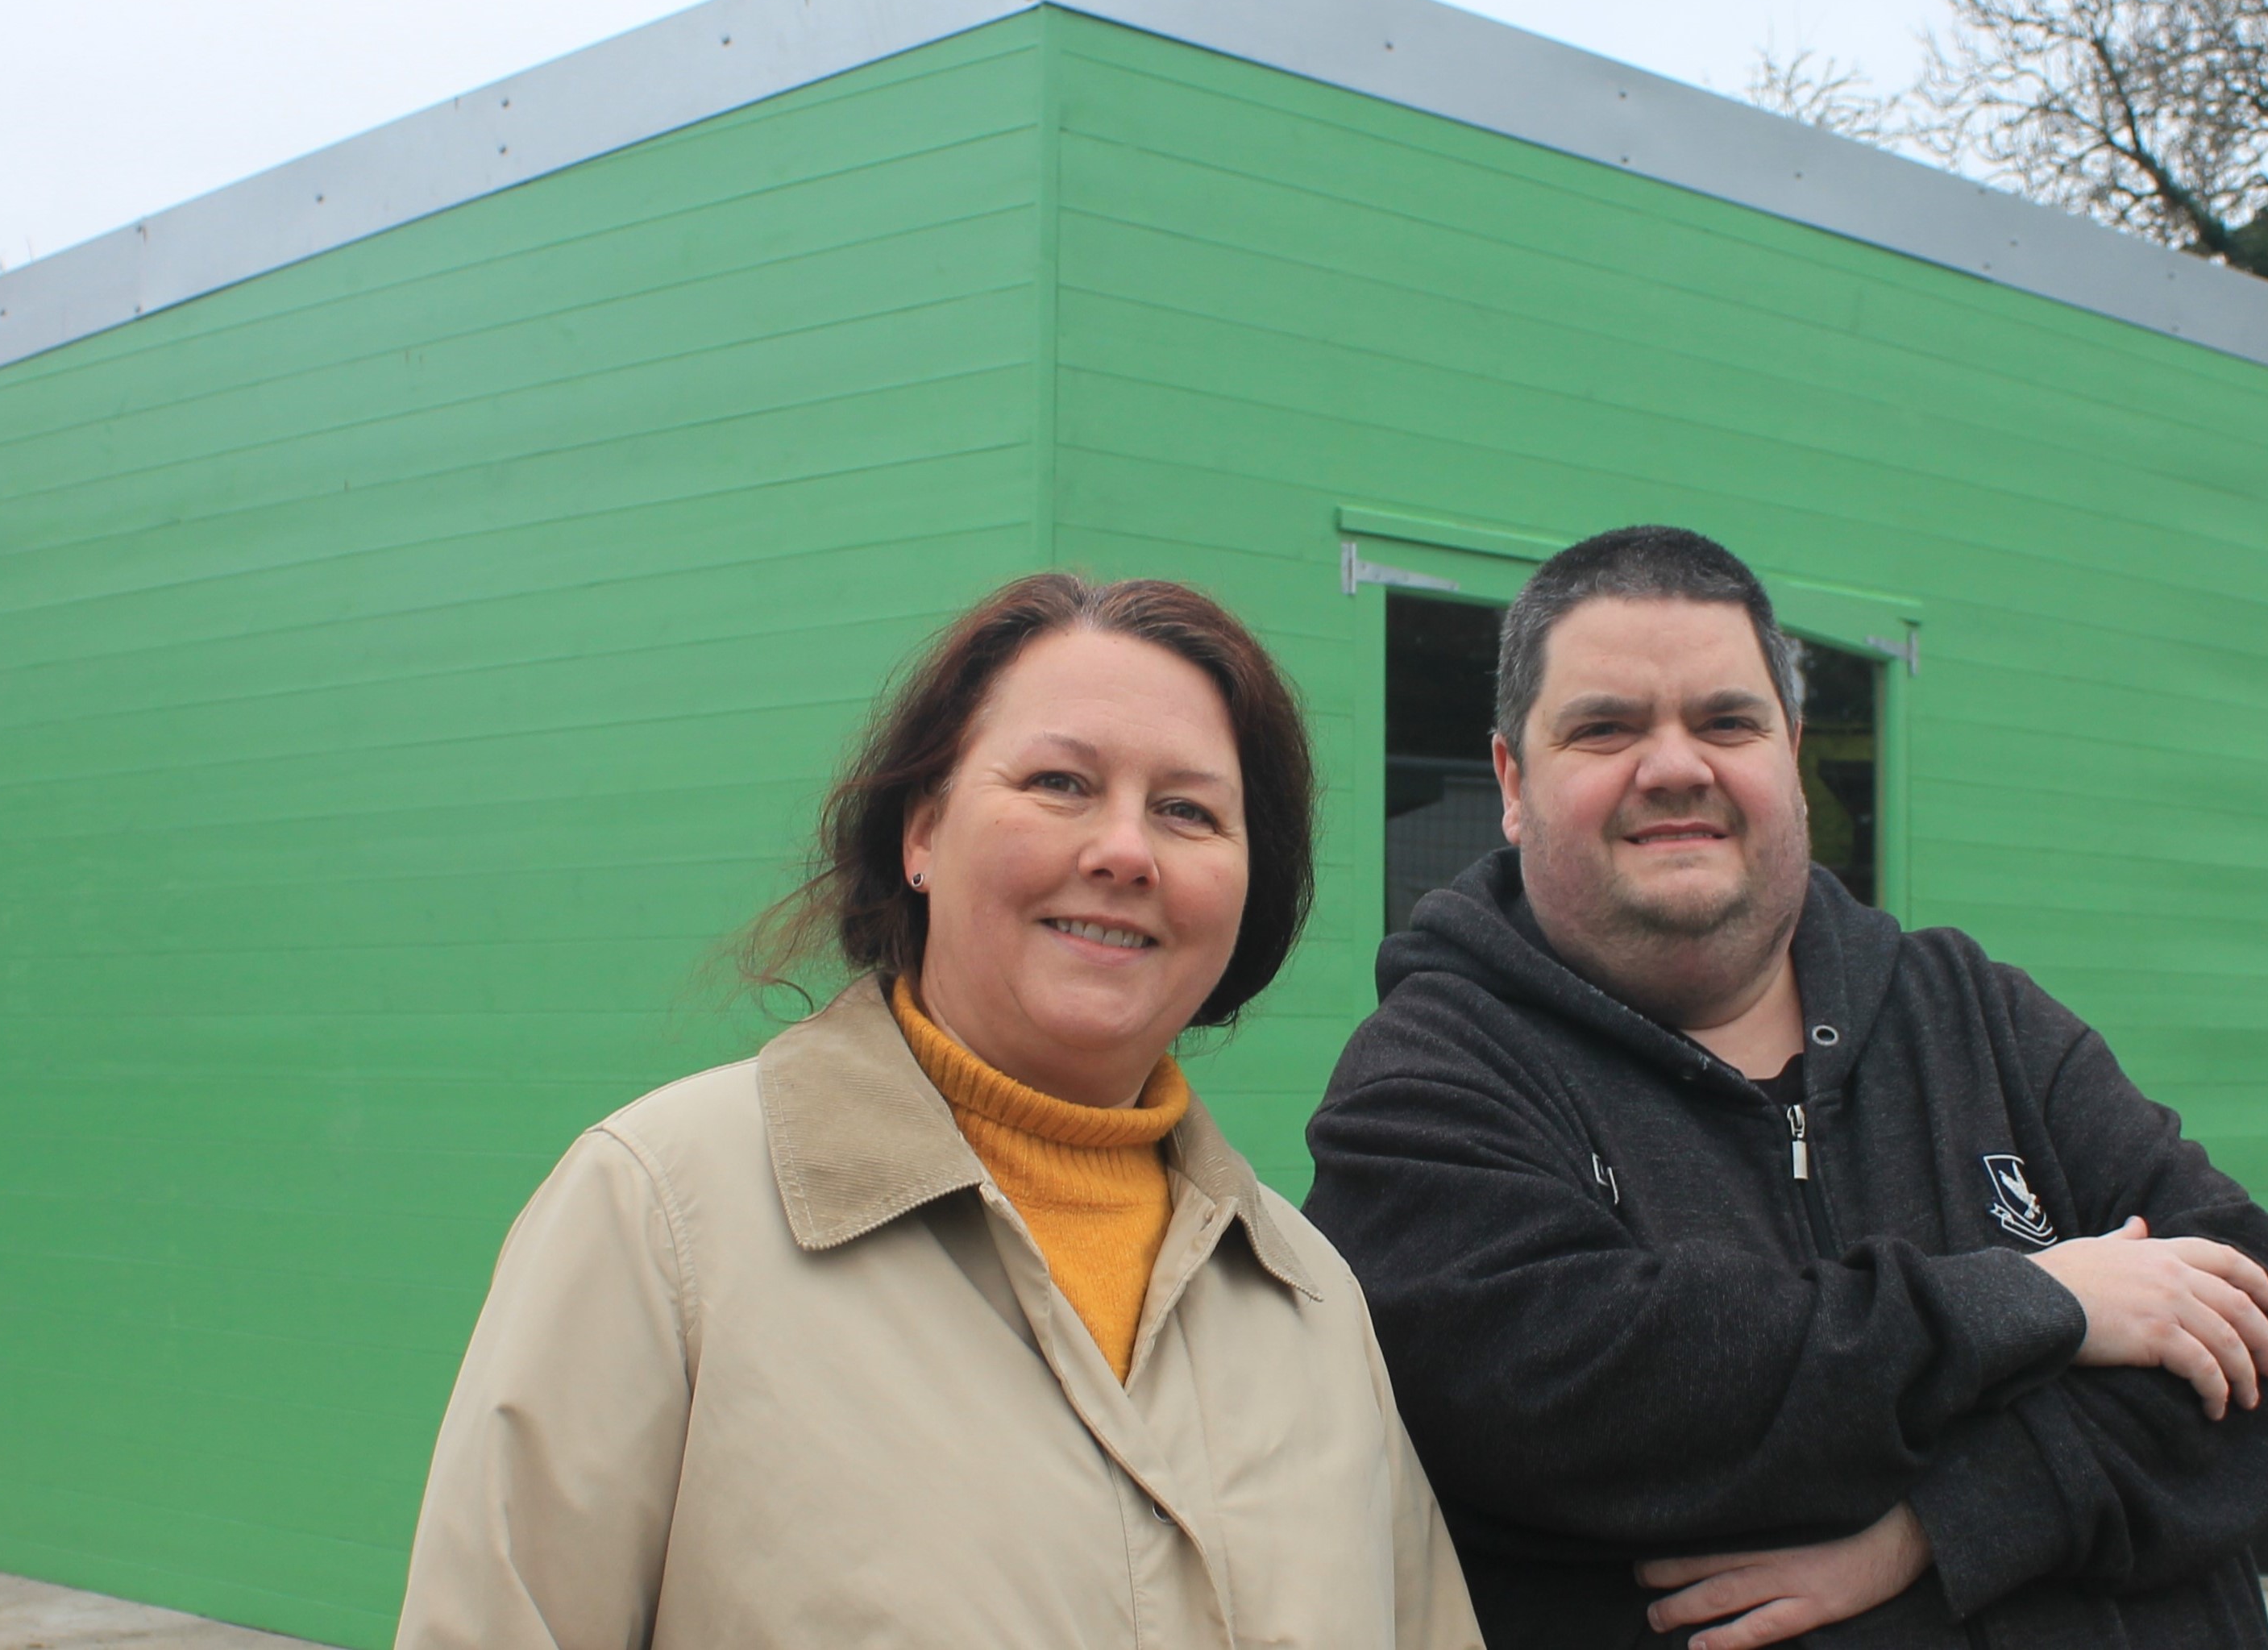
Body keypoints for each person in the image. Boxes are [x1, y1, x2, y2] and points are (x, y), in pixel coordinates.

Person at [397, 573, 1480, 1650]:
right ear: (920, 833)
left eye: (1188, 811)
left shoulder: (1310, 1302)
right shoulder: (663, 1214)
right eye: (1059, 782)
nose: (1124, 851)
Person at [1304, 526, 2268, 1650]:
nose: (1675, 765)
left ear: (1787, 750)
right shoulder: (1429, 1081)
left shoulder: (1975, 1014)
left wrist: (1945, 1525)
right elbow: (1583, 1399)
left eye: (1725, 721)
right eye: (1605, 728)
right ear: (1510, 780)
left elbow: (2256, 1341)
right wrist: (2045, 1304)